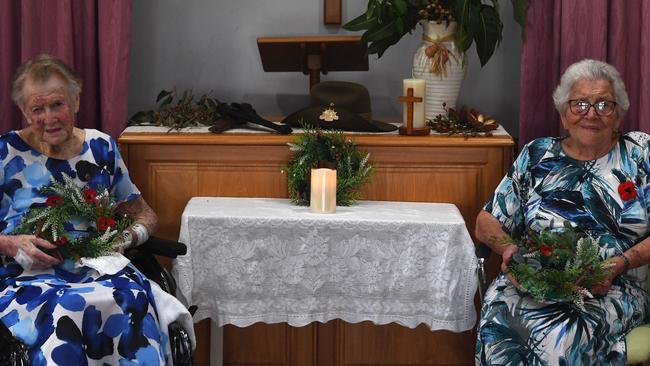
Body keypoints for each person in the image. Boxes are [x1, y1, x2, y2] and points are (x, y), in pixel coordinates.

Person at [0, 54, 192, 364]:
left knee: (131, 299)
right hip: (28, 277)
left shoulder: (101, 148)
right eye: (37, 108)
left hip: (99, 269)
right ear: (24, 111)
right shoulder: (5, 153)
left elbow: (145, 215)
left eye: (57, 105)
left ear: (75, 102)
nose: (49, 118)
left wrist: (124, 240)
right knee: (67, 309)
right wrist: (10, 243)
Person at [475, 59, 650, 365]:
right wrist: (509, 251)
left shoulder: (640, 155)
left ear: (619, 113)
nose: (591, 114)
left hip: (613, 287)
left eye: (604, 104)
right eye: (579, 104)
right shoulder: (537, 154)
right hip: (533, 281)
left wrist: (619, 264)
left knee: (559, 337)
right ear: (563, 113)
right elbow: (485, 221)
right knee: (499, 319)